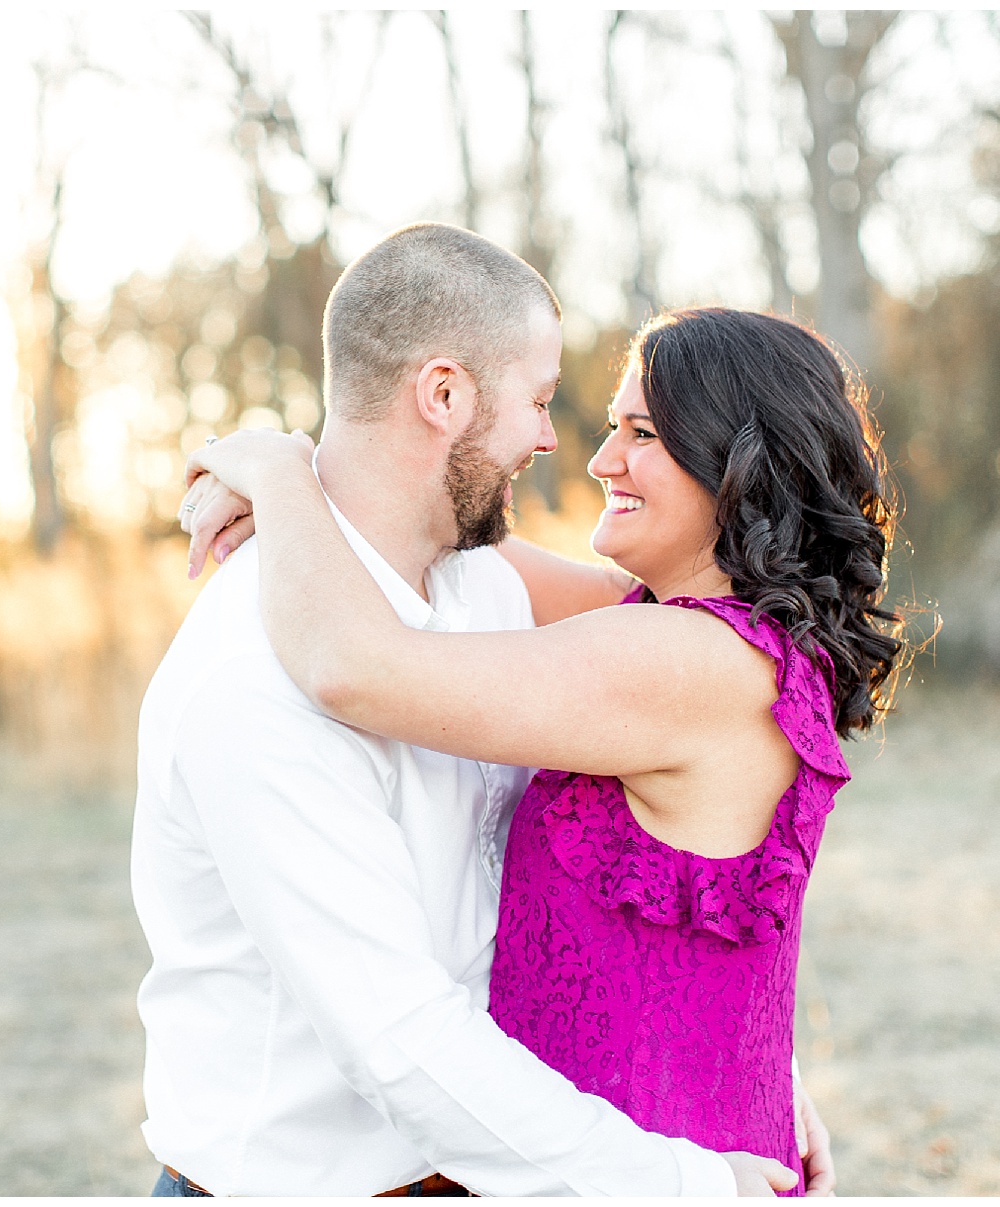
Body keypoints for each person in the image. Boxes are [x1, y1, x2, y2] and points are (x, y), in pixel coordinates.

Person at [133, 224, 811, 1197]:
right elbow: (401, 1041)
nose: (553, 440)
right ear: (443, 395)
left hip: (493, 1170)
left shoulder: (485, 587)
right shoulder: (253, 675)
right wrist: (696, 1185)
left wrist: (751, 1071)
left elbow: (682, 716)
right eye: (538, 400)